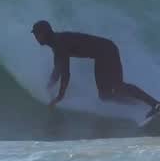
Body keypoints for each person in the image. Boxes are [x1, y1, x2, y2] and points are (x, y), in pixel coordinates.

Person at [31, 20, 160, 119]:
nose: (36, 38)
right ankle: (141, 105)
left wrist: (60, 96)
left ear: (44, 33)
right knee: (105, 96)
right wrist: (49, 85)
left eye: (37, 34)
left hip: (107, 50)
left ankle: (155, 104)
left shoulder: (59, 44)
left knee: (117, 85)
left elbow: (65, 73)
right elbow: (58, 69)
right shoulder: (56, 43)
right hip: (101, 54)